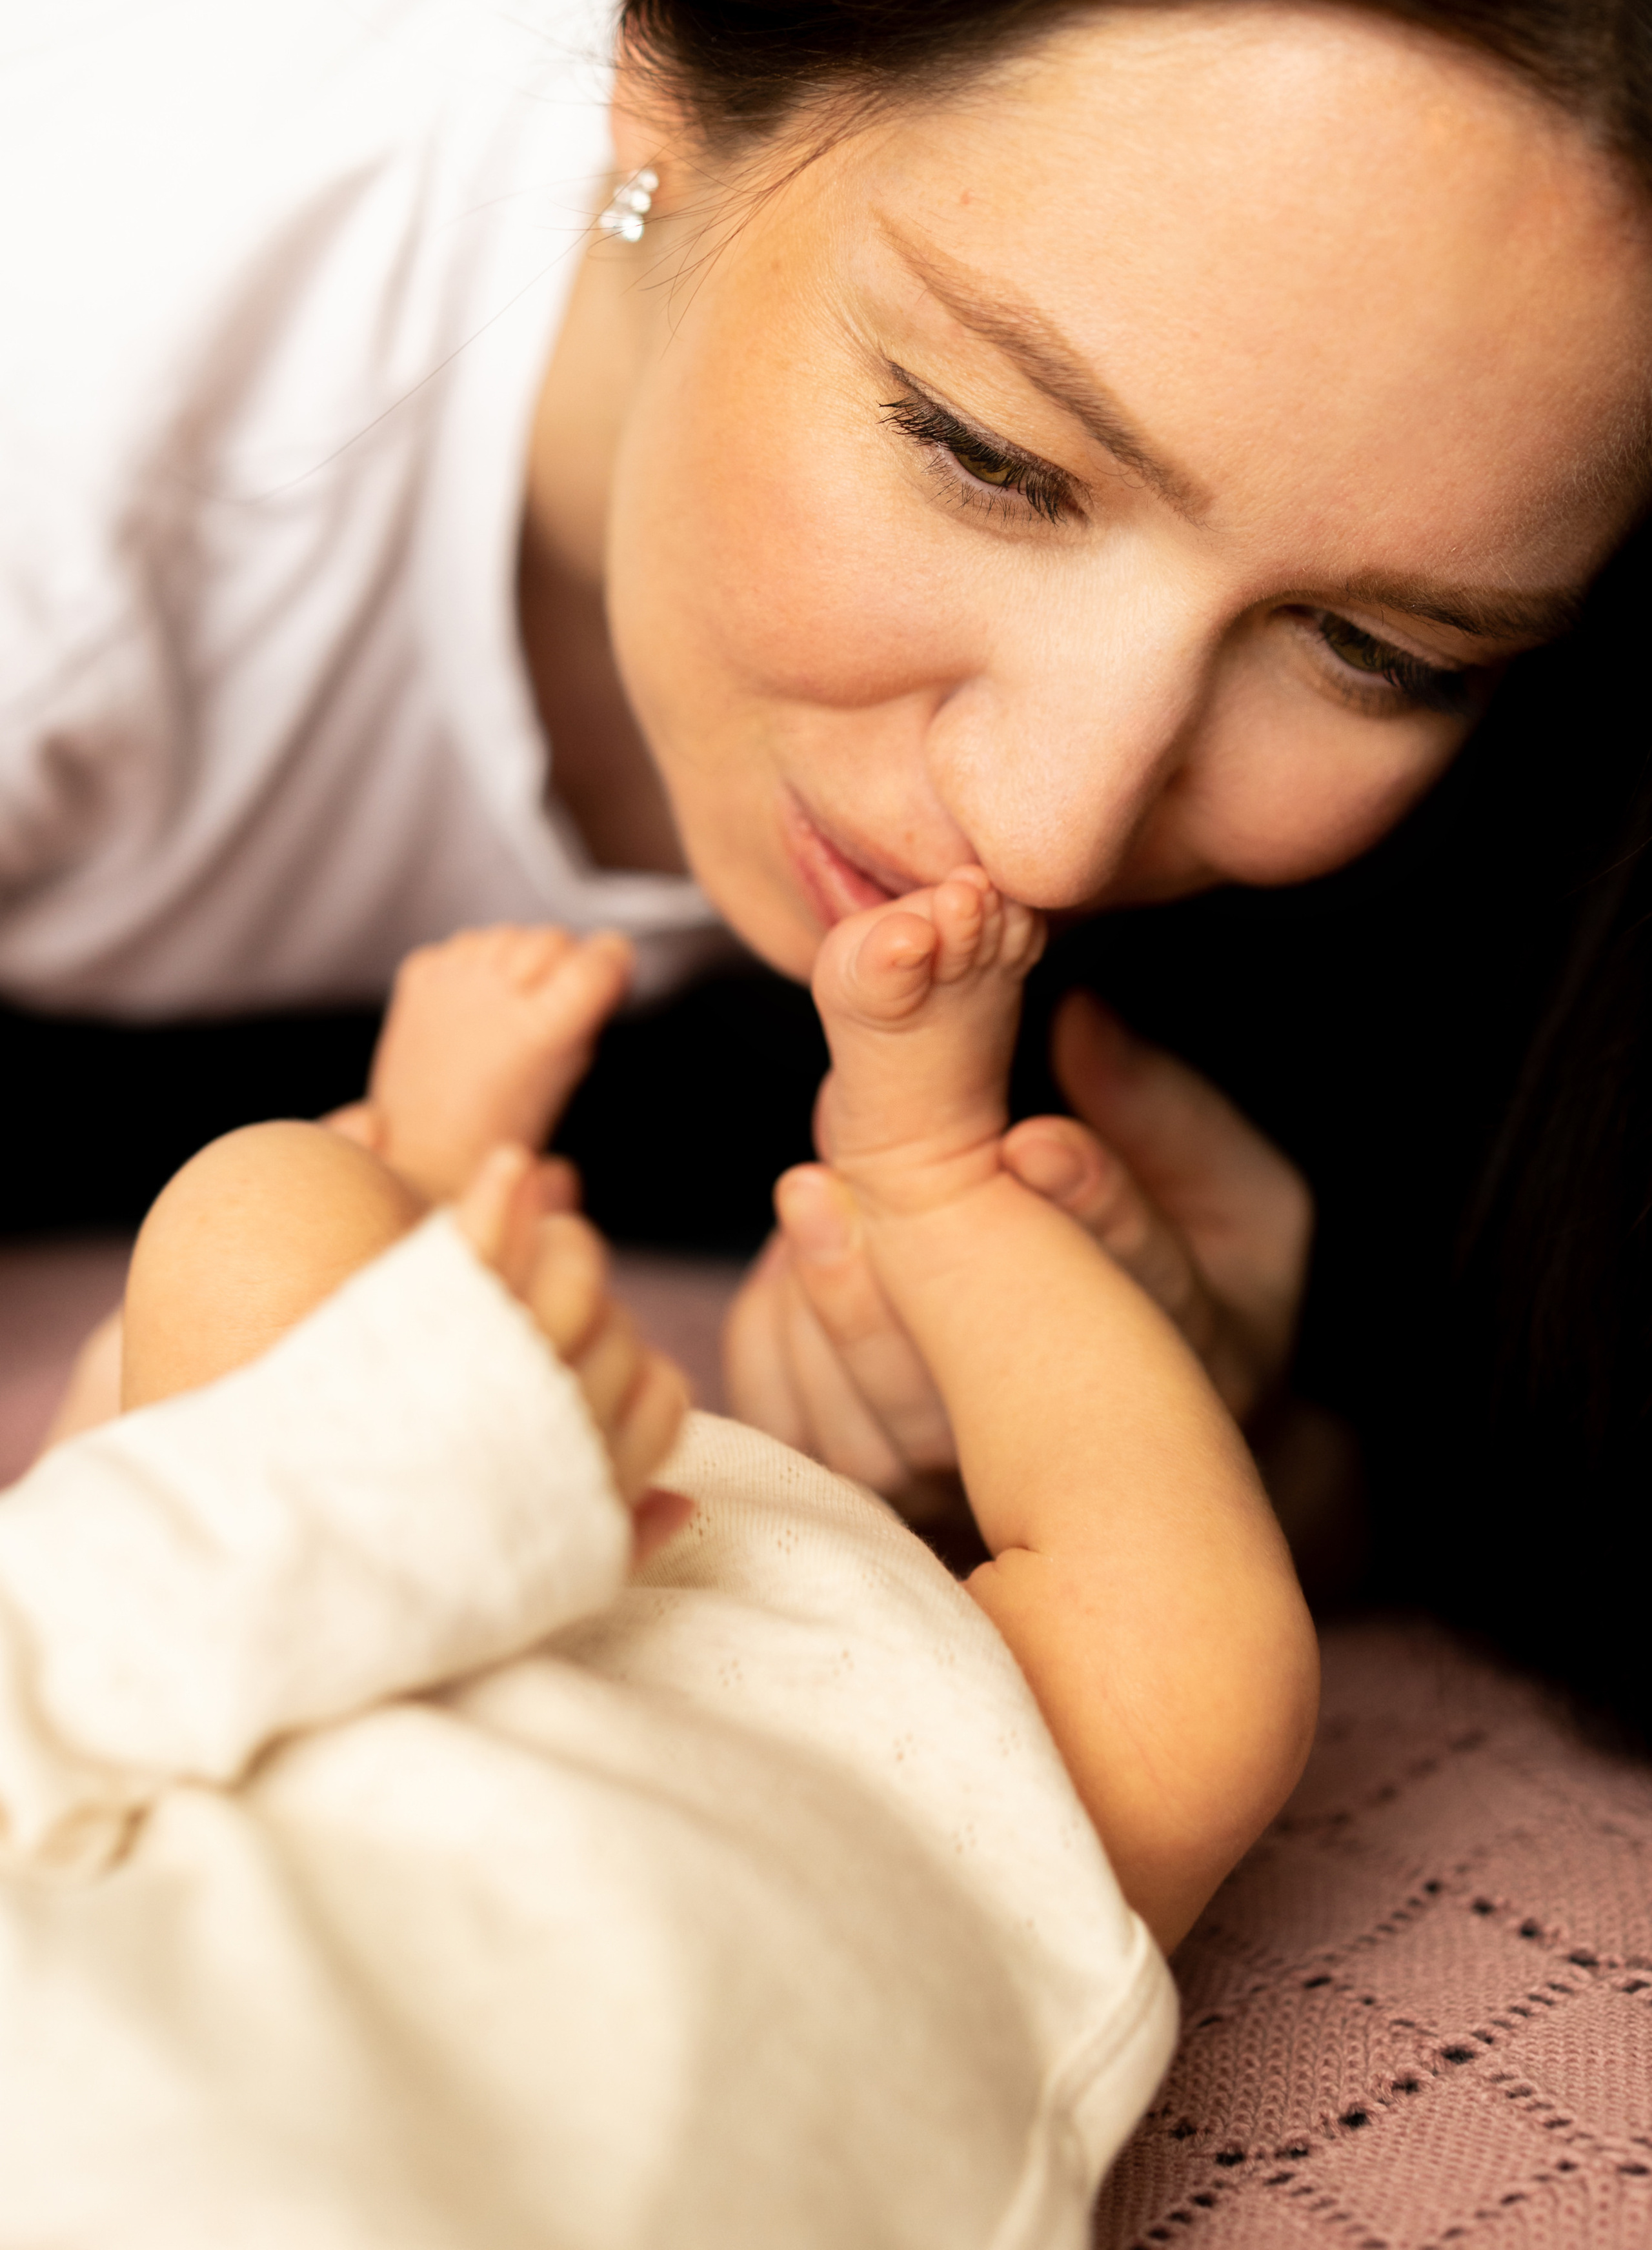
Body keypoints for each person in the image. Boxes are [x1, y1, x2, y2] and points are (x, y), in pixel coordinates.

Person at [6, 0, 1652, 1701]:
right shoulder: (70, 408)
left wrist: (1194, 1458)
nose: (1049, 836)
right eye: (990, 459)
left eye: (1377, 649)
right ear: (659, 113)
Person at [0, 890, 1315, 2244]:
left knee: (252, 1217)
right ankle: (937, 1189)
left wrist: (390, 1461)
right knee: (1203, 1685)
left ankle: (444, 1196)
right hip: (938, 1844)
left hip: (362, 1647)